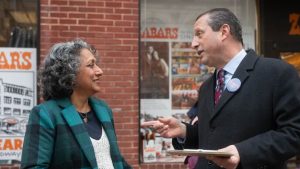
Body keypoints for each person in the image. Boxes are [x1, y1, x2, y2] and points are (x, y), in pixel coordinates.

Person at [142, 8, 300, 169]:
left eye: (199, 34)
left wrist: (242, 152)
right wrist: (184, 131)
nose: (193, 44)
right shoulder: (207, 86)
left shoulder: (277, 73)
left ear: (224, 32)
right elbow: (213, 136)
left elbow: (294, 133)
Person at [21, 39, 132, 169]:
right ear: (70, 73)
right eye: (91, 65)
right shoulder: (46, 114)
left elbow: (115, 160)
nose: (100, 71)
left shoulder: (103, 110)